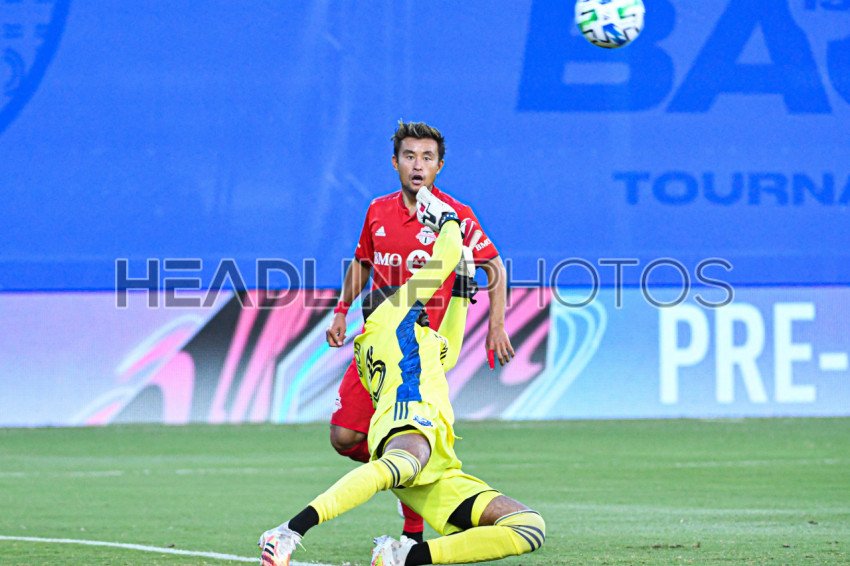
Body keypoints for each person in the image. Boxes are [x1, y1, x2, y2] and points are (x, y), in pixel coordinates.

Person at [259, 187, 544, 566]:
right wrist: (448, 221)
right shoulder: (391, 316)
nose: (419, 304)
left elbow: (450, 352)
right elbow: (445, 256)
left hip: (438, 468)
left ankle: (403, 556)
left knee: (528, 527)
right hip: (408, 424)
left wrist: (460, 294)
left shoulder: (409, 342)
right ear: (394, 304)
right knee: (398, 464)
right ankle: (288, 531)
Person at [325, 121, 515, 541]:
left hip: (421, 351)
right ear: (395, 163)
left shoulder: (455, 216)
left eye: (427, 158)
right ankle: (406, 475)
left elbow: (494, 267)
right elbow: (362, 262)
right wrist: (340, 311)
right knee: (344, 437)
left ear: (439, 166)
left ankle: (412, 526)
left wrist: (496, 325)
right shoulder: (377, 211)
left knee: (409, 438)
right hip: (376, 344)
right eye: (409, 156)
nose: (418, 165)